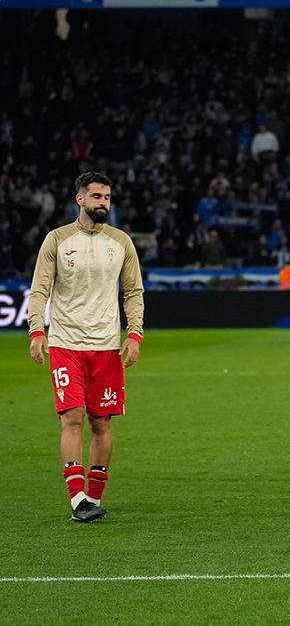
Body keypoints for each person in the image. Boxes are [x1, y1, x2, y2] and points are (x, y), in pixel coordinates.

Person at [27, 171, 145, 523]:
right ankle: (77, 499)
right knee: (72, 416)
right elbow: (40, 289)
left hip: (106, 346)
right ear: (80, 198)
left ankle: (93, 497)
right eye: (96, 196)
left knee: (102, 423)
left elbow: (133, 291)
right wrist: (36, 330)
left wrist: (134, 333)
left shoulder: (120, 242)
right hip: (65, 343)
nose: (103, 203)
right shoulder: (57, 240)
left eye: (107, 197)